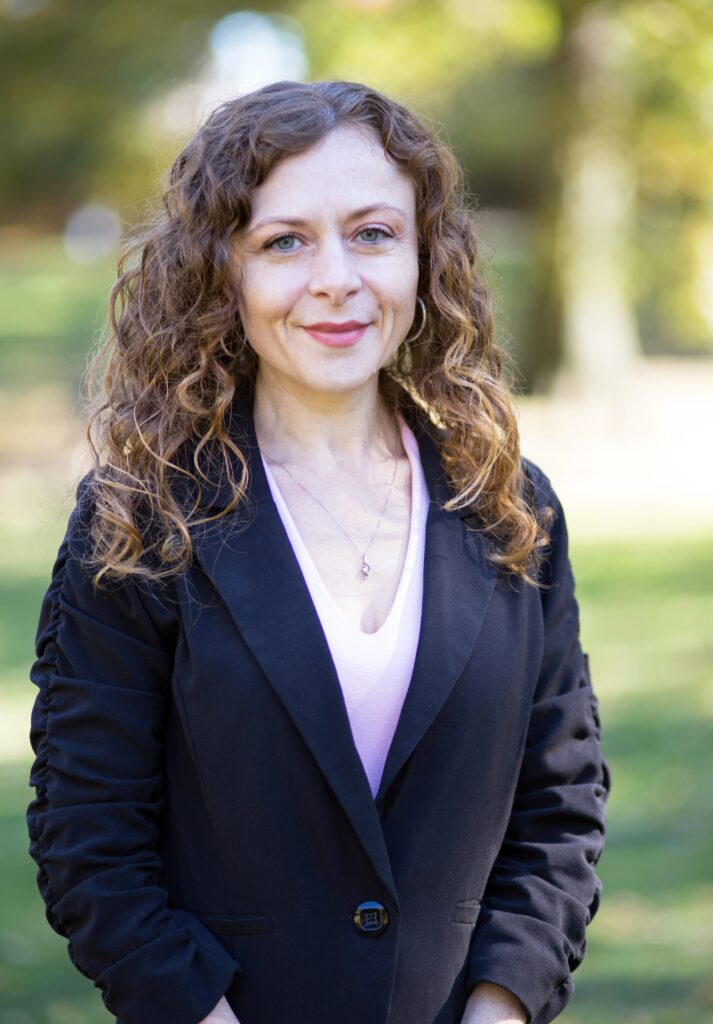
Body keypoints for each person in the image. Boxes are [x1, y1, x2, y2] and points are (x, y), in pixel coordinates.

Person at [26, 79, 611, 1024]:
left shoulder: (508, 502)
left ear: (425, 258)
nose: (335, 277)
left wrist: (500, 1010)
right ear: (223, 273)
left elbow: (560, 809)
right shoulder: (139, 520)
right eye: (284, 241)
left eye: (372, 234)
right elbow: (89, 844)